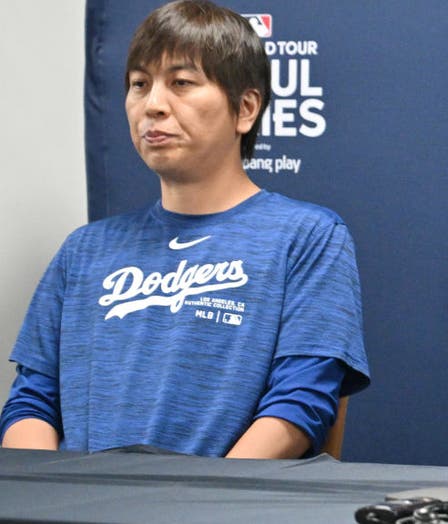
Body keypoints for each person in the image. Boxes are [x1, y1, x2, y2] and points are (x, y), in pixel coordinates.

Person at [0, 0, 369, 459]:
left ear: (246, 108)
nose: (153, 105)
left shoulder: (308, 238)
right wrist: (55, 495)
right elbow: (32, 402)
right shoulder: (85, 250)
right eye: (139, 84)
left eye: (181, 83)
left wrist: (195, 501)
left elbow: (300, 406)